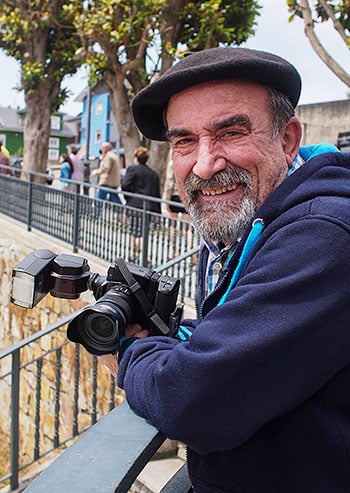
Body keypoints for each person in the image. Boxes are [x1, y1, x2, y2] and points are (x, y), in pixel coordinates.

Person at [101, 47, 350, 492]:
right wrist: (180, 340)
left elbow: (195, 405)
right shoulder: (244, 221)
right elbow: (257, 341)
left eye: (230, 132)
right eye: (183, 142)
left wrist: (129, 354)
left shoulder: (324, 235)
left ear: (288, 139)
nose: (203, 163)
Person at [121, 146, 161, 263]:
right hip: (148, 207)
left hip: (134, 204)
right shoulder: (153, 174)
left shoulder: (133, 169)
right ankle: (144, 255)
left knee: (134, 229)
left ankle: (133, 253)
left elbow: (125, 185)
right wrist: (157, 212)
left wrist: (128, 198)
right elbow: (156, 193)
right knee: (143, 231)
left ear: (136, 158)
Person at [91, 141, 122, 211]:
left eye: (102, 148)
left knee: (99, 200)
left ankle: (97, 216)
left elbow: (105, 168)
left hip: (106, 181)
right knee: (115, 199)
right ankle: (122, 213)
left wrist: (96, 172)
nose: (101, 149)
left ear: (106, 148)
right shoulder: (113, 155)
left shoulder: (108, 156)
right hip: (114, 182)